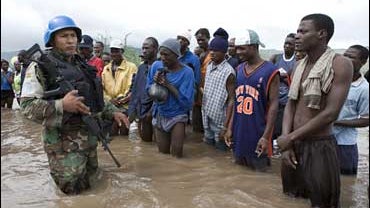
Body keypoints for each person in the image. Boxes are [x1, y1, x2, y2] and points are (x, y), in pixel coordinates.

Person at [20, 15, 129, 195]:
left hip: (88, 140)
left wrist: (114, 112)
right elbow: (26, 107)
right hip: (63, 147)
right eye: (64, 36)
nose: (71, 40)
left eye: (73, 35)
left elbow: (95, 98)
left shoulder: (80, 64)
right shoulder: (40, 67)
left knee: (92, 189)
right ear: (52, 39)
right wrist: (62, 104)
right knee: (70, 195)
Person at [276, 13, 353, 207]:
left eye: (303, 31)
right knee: (291, 198)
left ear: (321, 34)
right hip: (293, 142)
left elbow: (331, 113)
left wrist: (289, 138)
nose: (297, 36)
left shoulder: (340, 64)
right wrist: (287, 141)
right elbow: (291, 104)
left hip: (320, 146)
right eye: (297, 31)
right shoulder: (300, 65)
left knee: (323, 203)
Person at [224, 29, 279, 171]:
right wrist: (230, 128)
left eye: (242, 48)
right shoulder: (239, 69)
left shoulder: (270, 71)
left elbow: (274, 105)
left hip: (258, 133)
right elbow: (236, 101)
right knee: (239, 173)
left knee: (260, 173)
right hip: (239, 131)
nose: (238, 52)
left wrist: (266, 137)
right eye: (237, 48)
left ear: (254, 47)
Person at [146, 38, 194, 158]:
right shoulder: (156, 66)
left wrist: (167, 84)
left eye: (166, 55)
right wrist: (155, 84)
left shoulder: (187, 73)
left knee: (176, 156)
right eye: (161, 54)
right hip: (160, 114)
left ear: (176, 55)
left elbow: (187, 103)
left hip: (177, 116)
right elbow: (148, 90)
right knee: (163, 156)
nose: (163, 58)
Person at [333, 45, 369, 175]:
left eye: (351, 57)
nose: (346, 59)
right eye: (345, 55)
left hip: (345, 144)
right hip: (324, 139)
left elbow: (366, 120)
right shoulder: (331, 79)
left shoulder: (364, 89)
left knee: (346, 182)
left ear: (363, 62)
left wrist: (336, 122)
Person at [202, 34, 236, 151]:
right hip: (206, 116)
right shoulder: (210, 66)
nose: (212, 53)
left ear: (224, 52)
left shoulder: (229, 73)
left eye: (216, 50)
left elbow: (232, 100)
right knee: (208, 151)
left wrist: (226, 127)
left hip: (220, 121)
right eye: (211, 50)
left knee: (220, 152)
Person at [101, 39, 137, 136]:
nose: (114, 53)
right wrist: (109, 100)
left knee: (124, 130)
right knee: (111, 133)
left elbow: (132, 86)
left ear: (122, 51)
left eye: (117, 51)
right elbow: (102, 88)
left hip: (125, 105)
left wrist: (120, 99)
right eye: (112, 51)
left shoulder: (131, 67)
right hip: (110, 105)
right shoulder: (106, 68)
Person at [269, 33, 296, 153]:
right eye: (285, 43)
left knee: (282, 128)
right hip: (273, 98)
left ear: (295, 46)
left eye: (290, 44)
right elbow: (269, 73)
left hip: (287, 101)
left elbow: (294, 79)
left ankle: (280, 151)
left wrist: (282, 76)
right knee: (271, 127)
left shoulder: (297, 61)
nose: (287, 46)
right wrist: (282, 76)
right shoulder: (276, 58)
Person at [128, 37, 158, 142]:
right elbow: (136, 91)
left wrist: (152, 110)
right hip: (142, 110)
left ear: (155, 49)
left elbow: (162, 92)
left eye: (147, 48)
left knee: (160, 143)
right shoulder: (141, 68)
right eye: (143, 48)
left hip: (157, 111)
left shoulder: (161, 67)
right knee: (146, 142)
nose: (144, 51)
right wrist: (132, 110)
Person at [193, 28, 212, 133]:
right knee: (196, 121)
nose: (200, 42)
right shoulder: (197, 54)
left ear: (208, 38)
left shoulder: (212, 54)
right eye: (198, 40)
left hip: (209, 91)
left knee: (208, 122)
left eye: (202, 40)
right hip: (197, 90)